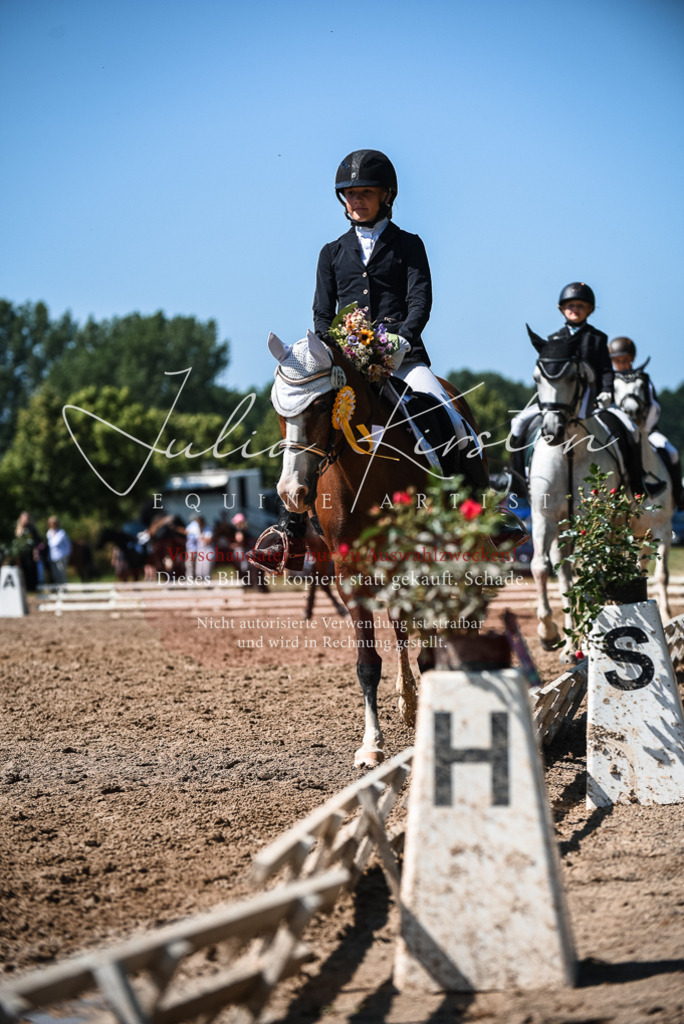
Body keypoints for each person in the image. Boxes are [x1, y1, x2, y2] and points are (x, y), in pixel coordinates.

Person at [251, 149, 485, 570]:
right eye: (350, 194)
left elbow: (420, 302)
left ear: (386, 196)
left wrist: (401, 340)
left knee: (449, 412)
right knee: (304, 414)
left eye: (365, 193)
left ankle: (480, 511)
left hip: (403, 358)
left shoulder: (409, 245)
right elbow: (322, 314)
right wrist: (334, 348)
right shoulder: (331, 252)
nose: (356, 200)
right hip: (345, 363)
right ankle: (290, 528)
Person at [509, 282, 660, 497]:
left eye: (580, 305)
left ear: (589, 310)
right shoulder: (554, 339)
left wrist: (607, 391)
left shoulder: (598, 338)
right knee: (519, 421)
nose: (575, 309)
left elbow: (606, 370)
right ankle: (516, 478)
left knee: (631, 428)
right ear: (562, 309)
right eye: (570, 305)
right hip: (557, 401)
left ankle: (636, 482)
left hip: (592, 400)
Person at [609, 336, 683, 509]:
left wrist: (644, 430)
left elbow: (654, 407)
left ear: (632, 359)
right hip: (620, 434)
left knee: (672, 452)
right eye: (617, 361)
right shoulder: (610, 381)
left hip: (647, 430)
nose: (622, 364)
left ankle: (678, 496)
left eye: (625, 360)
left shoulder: (643, 378)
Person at [46, 515, 72, 585]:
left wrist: (67, 554)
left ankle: (64, 589)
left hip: (61, 557)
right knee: (55, 575)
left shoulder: (62, 533)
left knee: (62, 574)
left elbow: (68, 545)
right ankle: (58, 589)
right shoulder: (49, 533)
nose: (53, 525)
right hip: (52, 557)